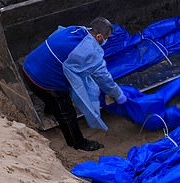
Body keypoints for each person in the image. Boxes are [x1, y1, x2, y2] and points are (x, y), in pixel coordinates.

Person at [23, 17, 127, 151]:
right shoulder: (90, 51)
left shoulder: (74, 29)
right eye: (106, 37)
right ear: (99, 36)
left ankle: (50, 109)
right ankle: (77, 143)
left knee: (53, 100)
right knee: (67, 112)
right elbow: (104, 79)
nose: (106, 40)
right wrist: (118, 95)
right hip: (43, 82)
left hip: (28, 67)